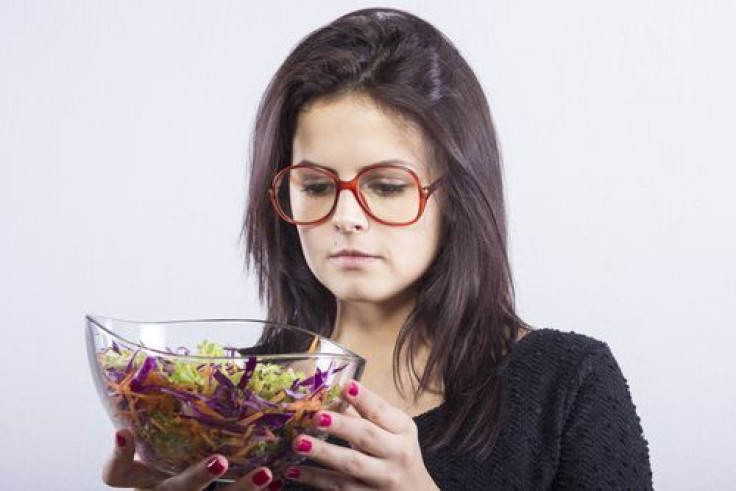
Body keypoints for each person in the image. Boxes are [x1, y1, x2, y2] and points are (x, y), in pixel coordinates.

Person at [102, 7, 653, 490]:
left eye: (386, 187)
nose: (345, 217)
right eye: (316, 186)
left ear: (456, 197)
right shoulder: (227, 408)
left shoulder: (567, 385)